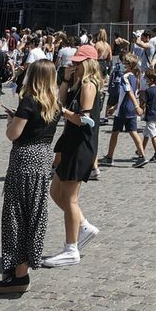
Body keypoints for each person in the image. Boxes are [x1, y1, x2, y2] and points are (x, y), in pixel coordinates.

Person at [0, 59, 59, 295]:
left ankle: (20, 275)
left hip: (24, 159)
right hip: (43, 159)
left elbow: (13, 134)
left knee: (17, 214)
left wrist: (11, 121)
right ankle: (24, 266)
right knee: (34, 213)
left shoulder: (29, 102)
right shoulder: (55, 103)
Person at [42, 47, 102, 269]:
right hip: (70, 143)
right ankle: (84, 225)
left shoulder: (88, 85)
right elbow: (61, 99)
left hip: (80, 146)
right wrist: (65, 81)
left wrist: (62, 110)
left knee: (69, 199)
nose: (74, 65)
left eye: (79, 62)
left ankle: (71, 249)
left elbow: (83, 120)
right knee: (55, 192)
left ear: (89, 63)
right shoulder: (77, 84)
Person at [101, 54, 146, 165]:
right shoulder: (135, 78)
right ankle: (142, 156)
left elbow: (128, 92)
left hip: (124, 110)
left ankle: (109, 157)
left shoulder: (125, 77)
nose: (122, 64)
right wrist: (114, 108)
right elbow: (125, 96)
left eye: (125, 63)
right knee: (133, 132)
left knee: (115, 133)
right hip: (129, 109)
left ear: (129, 65)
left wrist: (136, 106)